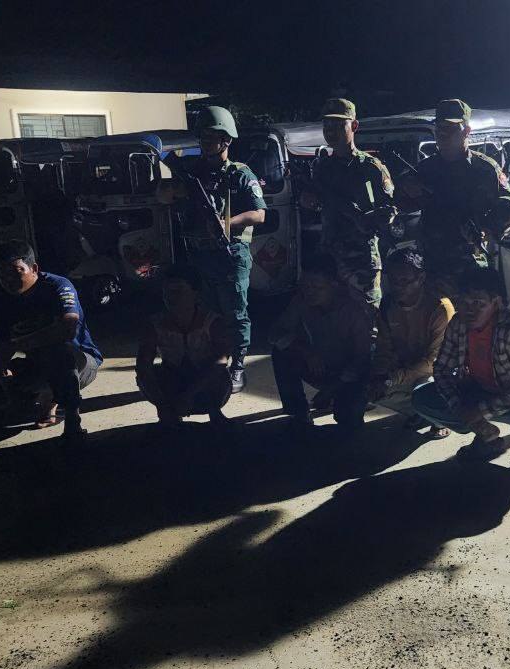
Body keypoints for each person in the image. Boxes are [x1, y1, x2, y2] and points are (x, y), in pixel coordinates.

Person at [161, 105, 266, 394]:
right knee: (204, 313)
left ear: (226, 140)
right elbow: (164, 197)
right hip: (199, 255)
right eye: (203, 137)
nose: (206, 142)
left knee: (235, 312)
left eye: (212, 137)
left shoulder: (240, 173)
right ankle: (212, 362)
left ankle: (238, 365)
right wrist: (171, 191)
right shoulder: (191, 172)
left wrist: (227, 223)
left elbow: (259, 214)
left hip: (230, 254)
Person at [411, 266, 510, 475]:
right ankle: (486, 439)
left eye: (478, 303)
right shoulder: (458, 324)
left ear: (496, 303)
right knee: (422, 398)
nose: (470, 310)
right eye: (465, 303)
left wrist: (479, 413)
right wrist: (461, 408)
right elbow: (441, 370)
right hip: (477, 389)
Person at [0, 241, 103, 444]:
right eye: (2, 274)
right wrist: (1, 373)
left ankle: (72, 419)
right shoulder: (0, 299)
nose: (8, 280)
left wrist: (15, 345)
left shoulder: (58, 286)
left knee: (60, 353)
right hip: (38, 363)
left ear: (33, 268)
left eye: (16, 272)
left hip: (80, 363)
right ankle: (42, 398)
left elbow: (67, 329)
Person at [397, 98, 510, 297]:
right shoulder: (425, 169)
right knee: (437, 314)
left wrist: (487, 230)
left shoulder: (484, 168)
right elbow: (403, 204)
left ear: (466, 131)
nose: (443, 134)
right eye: (439, 128)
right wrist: (406, 189)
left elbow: (507, 206)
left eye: (450, 129)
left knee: (472, 312)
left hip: (470, 262)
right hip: (433, 263)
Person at [299, 97, 397, 306]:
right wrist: (310, 202)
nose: (331, 131)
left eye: (338, 125)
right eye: (327, 125)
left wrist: (363, 218)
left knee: (366, 315)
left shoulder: (370, 167)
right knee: (332, 315)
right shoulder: (322, 167)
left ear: (354, 126)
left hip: (361, 259)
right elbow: (317, 205)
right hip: (330, 257)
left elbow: (389, 210)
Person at [269, 256, 376, 433]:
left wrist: (332, 389)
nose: (309, 292)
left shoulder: (355, 310)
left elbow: (362, 358)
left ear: (334, 285)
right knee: (281, 353)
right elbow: (275, 333)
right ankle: (299, 412)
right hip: (319, 365)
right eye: (305, 286)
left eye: (316, 287)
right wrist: (305, 351)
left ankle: (354, 403)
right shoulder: (302, 300)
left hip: (350, 373)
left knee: (348, 419)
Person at [368, 248, 454, 439]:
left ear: (421, 278)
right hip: (405, 368)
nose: (398, 287)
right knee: (368, 386)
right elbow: (384, 348)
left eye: (404, 281)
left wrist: (393, 379)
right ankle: (420, 414)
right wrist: (380, 376)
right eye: (393, 281)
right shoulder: (388, 305)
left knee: (430, 388)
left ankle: (439, 420)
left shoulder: (440, 308)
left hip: (438, 372)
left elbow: (435, 362)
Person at [135, 264, 233, 431]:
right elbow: (143, 365)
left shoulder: (212, 322)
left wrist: (190, 394)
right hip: (173, 379)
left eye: (178, 291)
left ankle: (214, 412)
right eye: (167, 292)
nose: (171, 298)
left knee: (218, 372)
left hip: (204, 381)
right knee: (150, 375)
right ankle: (168, 416)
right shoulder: (155, 325)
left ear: (195, 293)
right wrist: (161, 403)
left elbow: (221, 360)